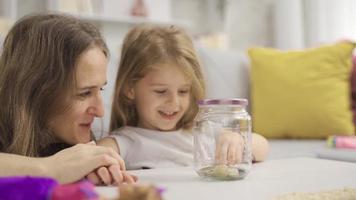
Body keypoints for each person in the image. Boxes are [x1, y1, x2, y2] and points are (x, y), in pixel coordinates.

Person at [98, 24, 269, 170]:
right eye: (161, 91)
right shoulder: (127, 142)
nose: (174, 102)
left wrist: (238, 140)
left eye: (183, 91)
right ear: (130, 89)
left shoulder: (201, 133)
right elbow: (93, 156)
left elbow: (262, 146)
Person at [0, 13, 136, 185]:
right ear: (38, 93)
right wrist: (50, 169)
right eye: (84, 93)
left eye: (100, 89)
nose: (100, 111)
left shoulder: (67, 145)